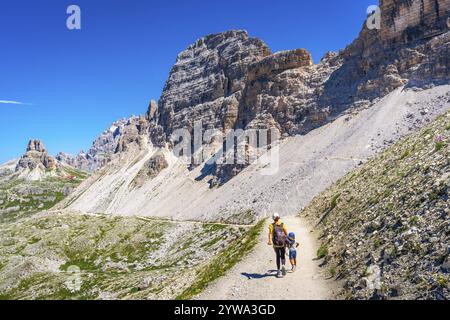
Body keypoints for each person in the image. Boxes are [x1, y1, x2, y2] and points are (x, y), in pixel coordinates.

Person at [267, 213, 288, 278]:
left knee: (277, 256)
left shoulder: (271, 225)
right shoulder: (283, 224)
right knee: (283, 255)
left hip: (276, 244)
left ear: (273, 218)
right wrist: (287, 242)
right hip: (283, 243)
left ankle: (278, 271)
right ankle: (283, 265)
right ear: (279, 217)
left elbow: (270, 234)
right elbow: (286, 233)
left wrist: (270, 241)